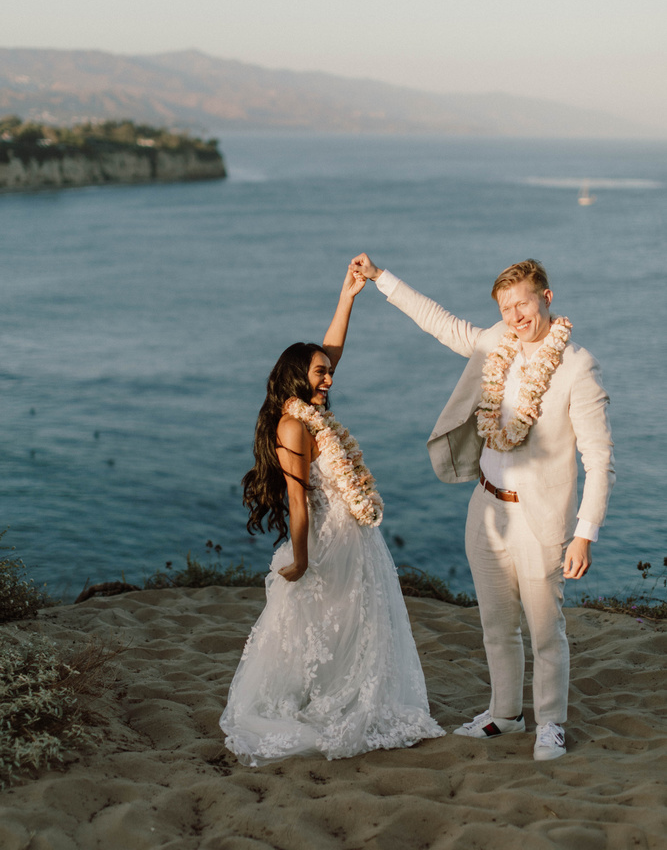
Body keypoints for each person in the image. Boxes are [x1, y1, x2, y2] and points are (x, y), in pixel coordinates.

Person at [350, 253, 615, 761]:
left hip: (541, 521)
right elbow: (441, 322)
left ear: (547, 298)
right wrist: (382, 278)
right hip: (487, 509)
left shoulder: (577, 367)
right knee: (496, 624)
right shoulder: (497, 343)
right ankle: (506, 715)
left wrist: (585, 533)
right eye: (506, 306)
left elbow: (599, 459)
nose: (516, 315)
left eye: (524, 303)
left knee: (544, 630)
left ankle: (551, 724)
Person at [219, 268, 445, 766]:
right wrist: (300, 560)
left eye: (328, 370)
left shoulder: (308, 408)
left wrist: (347, 297)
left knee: (357, 623)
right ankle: (328, 703)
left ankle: (350, 694)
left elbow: (331, 351)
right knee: (329, 620)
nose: (330, 377)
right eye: (320, 373)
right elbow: (299, 502)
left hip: (354, 532)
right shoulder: (293, 427)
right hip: (328, 537)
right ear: (299, 378)